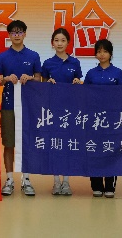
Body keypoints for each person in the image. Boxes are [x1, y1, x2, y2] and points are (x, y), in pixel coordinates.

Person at [0, 20, 42, 196]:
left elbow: (39, 79)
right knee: (8, 143)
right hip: (8, 105)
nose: (17, 35)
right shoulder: (2, 57)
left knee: (26, 143)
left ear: (25, 34)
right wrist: (7, 79)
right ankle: (9, 180)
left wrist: (29, 78)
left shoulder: (33, 55)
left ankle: (26, 179)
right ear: (9, 35)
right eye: (13, 32)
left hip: (28, 107)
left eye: (20, 32)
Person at [41, 28, 82, 196]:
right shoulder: (48, 63)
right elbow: (42, 85)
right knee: (55, 145)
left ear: (68, 43)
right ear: (52, 43)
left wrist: (77, 82)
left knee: (68, 145)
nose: (59, 43)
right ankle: (56, 182)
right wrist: (47, 83)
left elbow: (79, 83)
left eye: (63, 40)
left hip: (70, 110)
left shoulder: (75, 63)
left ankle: (66, 182)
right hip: (53, 110)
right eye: (56, 40)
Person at [83, 39, 122, 199]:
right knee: (94, 149)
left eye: (105, 51)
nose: (102, 54)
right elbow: (84, 95)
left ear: (110, 54)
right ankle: (96, 185)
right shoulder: (91, 73)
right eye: (99, 51)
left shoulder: (118, 72)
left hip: (112, 119)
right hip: (94, 119)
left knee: (110, 150)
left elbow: (121, 96)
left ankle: (110, 186)